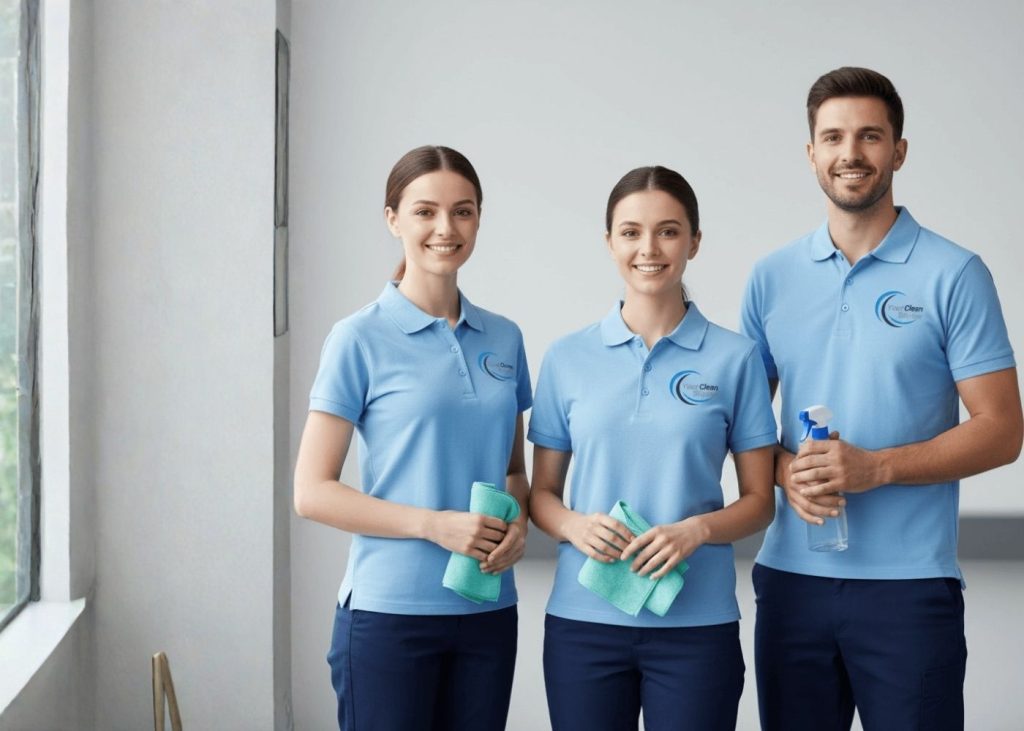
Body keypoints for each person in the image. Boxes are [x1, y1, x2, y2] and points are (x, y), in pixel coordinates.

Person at [740, 67, 1023, 731]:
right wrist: (786, 470)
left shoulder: (955, 273)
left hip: (910, 586)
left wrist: (879, 467)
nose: (850, 152)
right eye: (833, 136)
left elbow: (1003, 429)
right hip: (792, 583)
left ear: (898, 150)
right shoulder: (772, 277)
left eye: (870, 136)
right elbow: (744, 425)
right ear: (811, 152)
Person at [528, 165, 776, 731]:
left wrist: (699, 530)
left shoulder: (735, 360)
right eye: (631, 231)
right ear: (609, 241)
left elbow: (761, 499)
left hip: (697, 627)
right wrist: (573, 526)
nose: (649, 248)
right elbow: (542, 493)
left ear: (694, 241)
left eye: (668, 231)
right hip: (582, 624)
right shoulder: (567, 358)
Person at [293, 145, 532, 731]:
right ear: (393, 218)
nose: (445, 229)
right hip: (389, 615)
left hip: (487, 610)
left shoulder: (504, 339)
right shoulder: (358, 338)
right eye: (425, 212)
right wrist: (434, 524)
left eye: (463, 211)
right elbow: (312, 492)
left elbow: (512, 472)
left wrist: (519, 522)